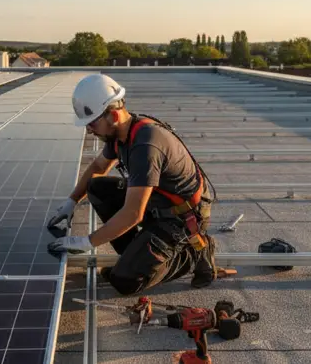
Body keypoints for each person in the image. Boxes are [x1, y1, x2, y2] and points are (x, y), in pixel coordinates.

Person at [47, 74, 217, 295]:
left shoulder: (146, 144)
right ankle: (136, 255)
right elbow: (98, 168)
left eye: (92, 123)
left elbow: (133, 213)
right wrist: (72, 201)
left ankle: (193, 255)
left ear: (114, 115)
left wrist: (87, 242)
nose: (89, 130)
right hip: (157, 204)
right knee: (97, 188)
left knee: (125, 282)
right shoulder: (119, 135)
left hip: (181, 219)